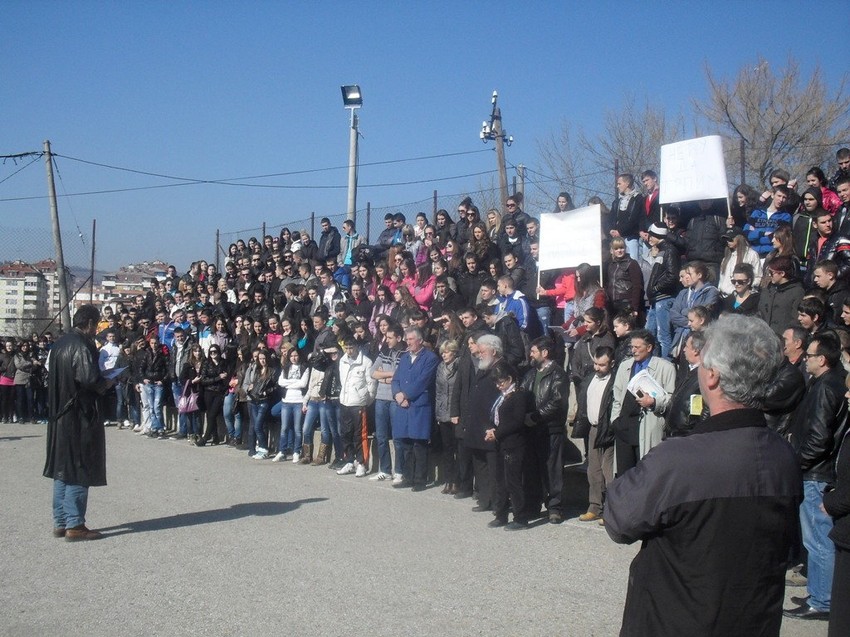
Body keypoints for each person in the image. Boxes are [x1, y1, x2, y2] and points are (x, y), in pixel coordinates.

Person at [605, 314, 803, 637]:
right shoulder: (784, 456)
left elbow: (618, 519)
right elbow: (789, 548)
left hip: (676, 623)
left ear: (711, 376)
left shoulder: (679, 459)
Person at [784, 332, 848, 621]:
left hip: (816, 474)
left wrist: (798, 464)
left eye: (809, 356)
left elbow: (820, 437)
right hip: (817, 470)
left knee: (818, 540)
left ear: (822, 359)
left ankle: (822, 601)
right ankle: (819, 593)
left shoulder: (826, 388)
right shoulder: (829, 382)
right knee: (818, 538)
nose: (806, 360)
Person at [43, 305, 113, 541]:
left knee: (62, 468)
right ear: (91, 323)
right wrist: (108, 382)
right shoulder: (82, 345)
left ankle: (60, 521)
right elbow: (89, 379)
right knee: (78, 467)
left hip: (60, 414)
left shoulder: (60, 343)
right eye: (97, 324)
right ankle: (75, 524)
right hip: (78, 415)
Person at [609, 329, 676, 474]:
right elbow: (617, 395)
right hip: (624, 428)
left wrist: (653, 401)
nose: (633, 351)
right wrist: (615, 421)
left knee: (645, 474)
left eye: (637, 347)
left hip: (648, 428)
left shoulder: (666, 368)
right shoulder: (625, 366)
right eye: (632, 347)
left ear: (649, 347)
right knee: (624, 476)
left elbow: (671, 399)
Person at [522, 337, 569, 524]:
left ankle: (555, 507)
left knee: (552, 469)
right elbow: (523, 393)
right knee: (533, 469)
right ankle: (533, 505)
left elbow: (557, 401)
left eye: (533, 351)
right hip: (532, 429)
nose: (530, 355)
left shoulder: (558, 374)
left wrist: (536, 416)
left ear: (544, 352)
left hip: (550, 429)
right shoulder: (531, 373)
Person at [391, 327, 440, 491]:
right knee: (405, 444)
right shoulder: (404, 357)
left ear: (419, 340)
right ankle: (408, 476)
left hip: (418, 405)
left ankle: (420, 479)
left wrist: (405, 395)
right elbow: (396, 378)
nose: (408, 342)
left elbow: (423, 381)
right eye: (407, 339)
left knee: (419, 444)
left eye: (411, 339)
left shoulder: (430, 358)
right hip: (403, 406)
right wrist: (397, 394)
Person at [484, 361, 532, 530]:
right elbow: (495, 416)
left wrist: (497, 433)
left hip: (514, 443)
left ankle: (521, 518)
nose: (498, 385)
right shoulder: (502, 396)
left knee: (513, 481)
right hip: (500, 443)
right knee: (500, 481)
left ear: (510, 379)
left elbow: (517, 421)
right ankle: (501, 514)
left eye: (501, 382)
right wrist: (491, 429)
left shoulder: (519, 395)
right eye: (496, 382)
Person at [574, 345, 616, 524]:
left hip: (608, 430)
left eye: (602, 365)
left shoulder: (615, 380)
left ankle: (611, 510)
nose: (597, 368)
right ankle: (594, 507)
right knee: (593, 471)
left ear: (612, 363)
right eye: (596, 364)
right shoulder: (590, 378)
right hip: (592, 428)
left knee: (609, 472)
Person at [336, 337, 377, 477]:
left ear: (356, 347)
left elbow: (371, 385)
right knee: (345, 433)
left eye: (351, 348)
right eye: (346, 348)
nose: (348, 351)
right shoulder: (342, 360)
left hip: (358, 402)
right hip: (345, 401)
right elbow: (343, 381)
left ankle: (361, 463)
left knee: (359, 435)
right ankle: (349, 460)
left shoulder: (366, 362)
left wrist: (365, 399)